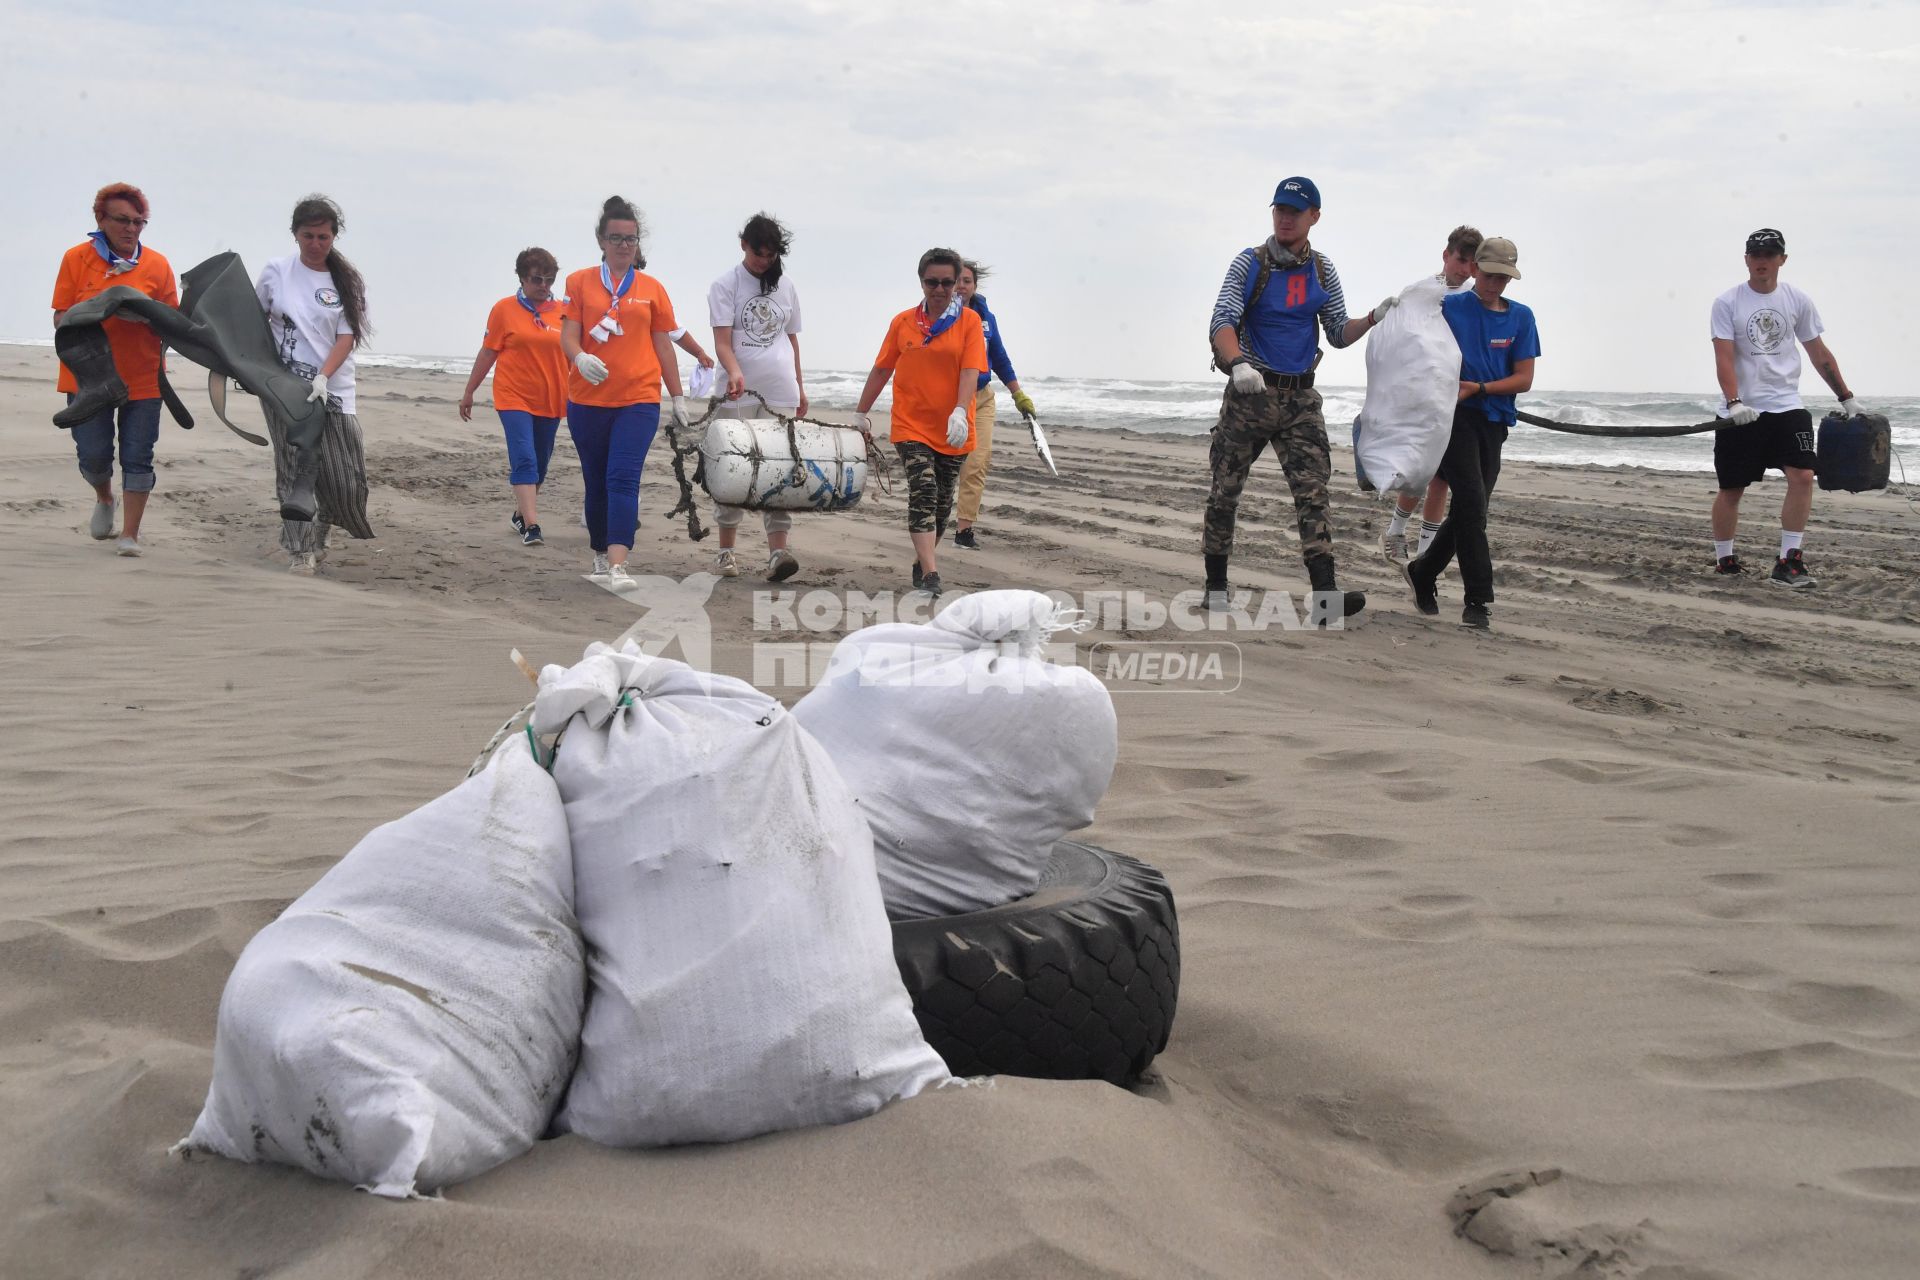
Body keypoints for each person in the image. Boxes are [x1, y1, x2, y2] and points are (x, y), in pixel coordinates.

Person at [1205, 175, 1396, 621]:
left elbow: (1336, 333)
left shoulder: (1323, 270)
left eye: (1294, 211)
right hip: (1250, 395)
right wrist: (1238, 365)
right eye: (1279, 210)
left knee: (1314, 495)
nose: (1285, 218)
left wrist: (1370, 319)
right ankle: (1215, 587)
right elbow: (1222, 321)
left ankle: (1325, 600)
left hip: (1300, 400)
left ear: (1314, 216)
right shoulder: (1249, 263)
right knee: (1224, 493)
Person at [1708, 228, 1864, 588]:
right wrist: (1734, 402)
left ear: (1782, 259)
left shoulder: (1797, 300)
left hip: (1787, 406)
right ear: (1746, 259)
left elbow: (1818, 352)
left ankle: (1789, 561)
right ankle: (1725, 560)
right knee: (1732, 489)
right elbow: (1724, 357)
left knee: (1803, 476)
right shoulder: (1727, 302)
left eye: (1769, 254)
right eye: (1755, 255)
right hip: (1741, 411)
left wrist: (1846, 397)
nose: (1762, 261)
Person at [1401, 237, 1539, 630]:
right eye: (1490, 274)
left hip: (1494, 420)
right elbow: (1410, 337)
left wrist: (1480, 388)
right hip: (1453, 418)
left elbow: (1524, 378)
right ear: (1476, 268)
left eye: (1504, 277)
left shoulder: (1521, 317)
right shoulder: (1449, 306)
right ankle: (1478, 600)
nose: (1496, 283)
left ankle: (1423, 572)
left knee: (1468, 511)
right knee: (1473, 505)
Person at [560, 195, 688, 588]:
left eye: (630, 239)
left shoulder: (652, 288)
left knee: (623, 476)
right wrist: (580, 358)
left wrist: (677, 395)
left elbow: (663, 343)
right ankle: (599, 552)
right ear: (601, 240)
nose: (624, 245)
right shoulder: (579, 282)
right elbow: (568, 336)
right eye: (616, 238)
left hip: (639, 399)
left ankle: (619, 563)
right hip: (587, 400)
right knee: (596, 479)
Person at [51, 182, 177, 558]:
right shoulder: (76, 259)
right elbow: (60, 318)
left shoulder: (157, 265)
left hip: (144, 377)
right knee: (93, 455)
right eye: (123, 220)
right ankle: (104, 497)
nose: (131, 229)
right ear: (100, 219)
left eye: (140, 222)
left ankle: (130, 535)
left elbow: (174, 323)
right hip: (88, 378)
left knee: (138, 455)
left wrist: (145, 314)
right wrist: (101, 307)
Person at [852, 248, 987, 598]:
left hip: (954, 428)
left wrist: (961, 410)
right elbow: (883, 368)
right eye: (932, 282)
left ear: (957, 282)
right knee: (923, 491)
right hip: (911, 425)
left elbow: (971, 371)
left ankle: (922, 559)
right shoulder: (903, 323)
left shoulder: (969, 322)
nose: (939, 289)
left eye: (947, 282)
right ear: (921, 282)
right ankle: (931, 572)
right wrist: (860, 412)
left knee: (943, 504)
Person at [256, 194, 374, 575]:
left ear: (334, 236)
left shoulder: (347, 281)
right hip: (284, 389)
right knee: (292, 466)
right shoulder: (276, 272)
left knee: (344, 475)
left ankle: (320, 530)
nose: (316, 244)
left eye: (323, 237)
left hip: (333, 387)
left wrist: (324, 376)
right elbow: (254, 324)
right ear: (295, 235)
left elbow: (347, 336)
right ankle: (299, 550)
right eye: (308, 235)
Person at [707, 212, 805, 582]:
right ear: (743, 245)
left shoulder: (787, 286)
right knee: (732, 468)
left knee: (780, 467)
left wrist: (800, 384)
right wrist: (734, 371)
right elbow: (721, 340)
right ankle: (726, 552)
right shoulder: (725, 285)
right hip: (736, 391)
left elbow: (792, 338)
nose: (765, 261)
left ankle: (778, 552)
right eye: (759, 253)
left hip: (780, 390)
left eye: (772, 255)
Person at [1379, 224, 1481, 562]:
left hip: (1459, 397)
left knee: (1441, 480)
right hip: (1426, 395)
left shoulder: (1472, 298)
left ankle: (1423, 555)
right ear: (1446, 255)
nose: (1464, 270)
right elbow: (1402, 339)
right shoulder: (1422, 291)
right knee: (1421, 471)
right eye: (1460, 260)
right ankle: (1395, 531)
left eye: (1471, 264)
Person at [459, 247, 569, 547]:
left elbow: (574, 355)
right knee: (524, 457)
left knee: (541, 465)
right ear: (522, 278)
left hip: (551, 398)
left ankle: (520, 513)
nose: (543, 285)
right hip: (513, 397)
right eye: (536, 279)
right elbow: (489, 351)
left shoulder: (564, 312)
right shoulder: (504, 310)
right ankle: (532, 525)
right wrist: (469, 391)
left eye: (549, 279)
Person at [950, 260, 1037, 549]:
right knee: (944, 466)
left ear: (974, 285)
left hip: (982, 398)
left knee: (977, 463)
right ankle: (930, 523)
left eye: (967, 281)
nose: (961, 286)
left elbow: (999, 357)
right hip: (946, 399)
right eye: (956, 280)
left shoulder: (987, 317)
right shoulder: (937, 316)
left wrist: (1018, 394)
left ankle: (964, 531)